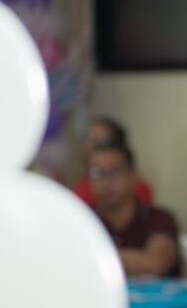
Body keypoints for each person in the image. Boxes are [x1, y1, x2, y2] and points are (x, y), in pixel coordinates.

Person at [89, 141, 180, 277]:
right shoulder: (86, 220)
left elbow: (156, 263)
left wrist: (94, 257)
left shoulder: (159, 218)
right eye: (97, 173)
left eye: (115, 172)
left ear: (133, 175)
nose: (106, 181)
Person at [71, 116, 154, 207]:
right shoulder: (82, 185)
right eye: (89, 138)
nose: (92, 145)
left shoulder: (137, 188)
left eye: (102, 139)